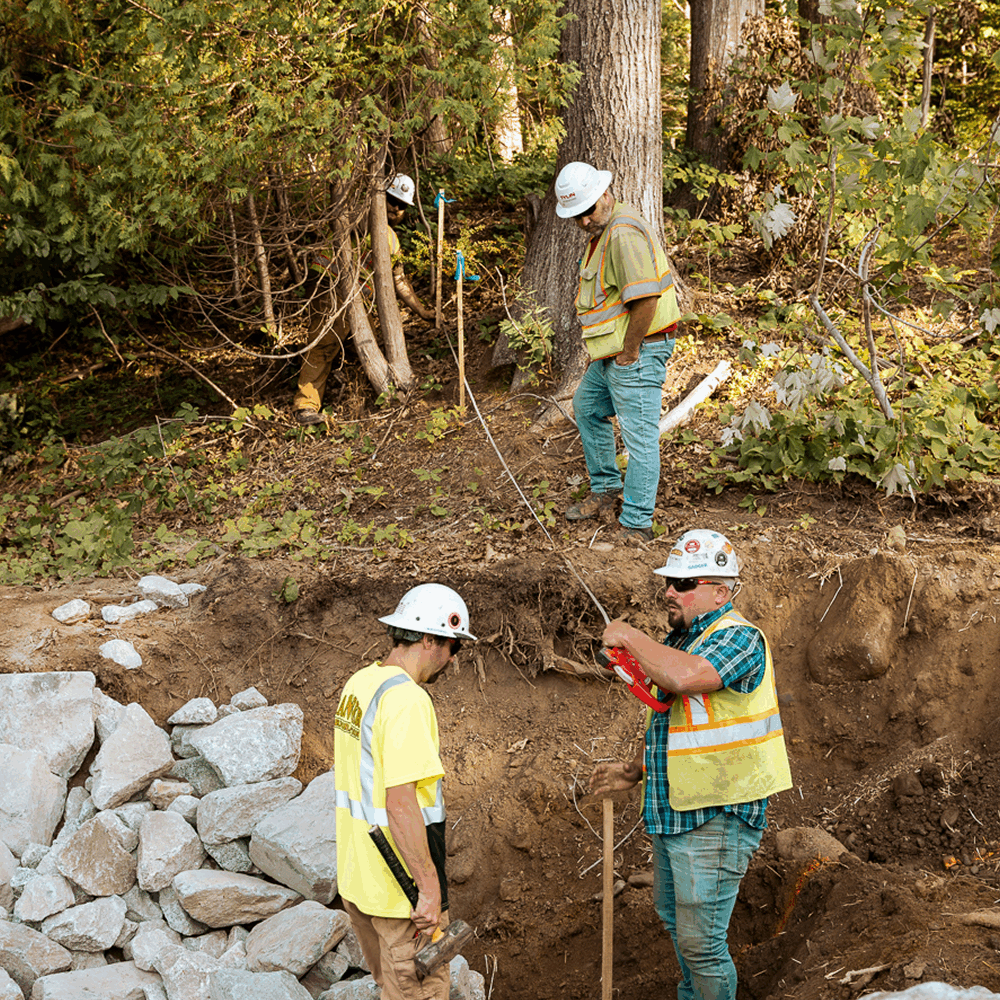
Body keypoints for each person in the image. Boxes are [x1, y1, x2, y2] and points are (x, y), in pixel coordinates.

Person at [589, 529, 792, 1000]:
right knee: (677, 924)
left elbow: (685, 679)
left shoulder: (740, 638)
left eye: (683, 583)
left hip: (717, 813)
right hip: (675, 809)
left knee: (701, 944)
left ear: (720, 591)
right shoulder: (683, 640)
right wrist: (634, 768)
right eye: (669, 582)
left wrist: (629, 635)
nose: (669, 592)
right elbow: (669, 714)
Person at [333, 583, 476, 1000]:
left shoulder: (360, 684)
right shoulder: (408, 700)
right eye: (453, 647)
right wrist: (429, 890)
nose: (452, 659)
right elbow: (400, 804)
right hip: (402, 899)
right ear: (430, 638)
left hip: (360, 884)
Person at [554, 160, 681, 543]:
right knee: (587, 407)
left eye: (587, 210)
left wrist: (629, 352)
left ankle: (637, 523)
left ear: (605, 194)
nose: (582, 221)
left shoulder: (622, 234)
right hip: (613, 354)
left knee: (640, 439)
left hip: (637, 350)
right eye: (575, 215)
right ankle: (606, 489)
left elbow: (645, 300)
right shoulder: (604, 230)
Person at [294, 173, 434, 424]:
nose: (395, 207)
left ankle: (358, 398)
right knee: (324, 344)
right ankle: (306, 406)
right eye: (391, 200)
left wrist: (422, 311)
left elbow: (399, 281)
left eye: (402, 205)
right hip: (329, 288)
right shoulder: (357, 217)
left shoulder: (391, 239)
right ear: (379, 197)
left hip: (359, 302)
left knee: (363, 346)